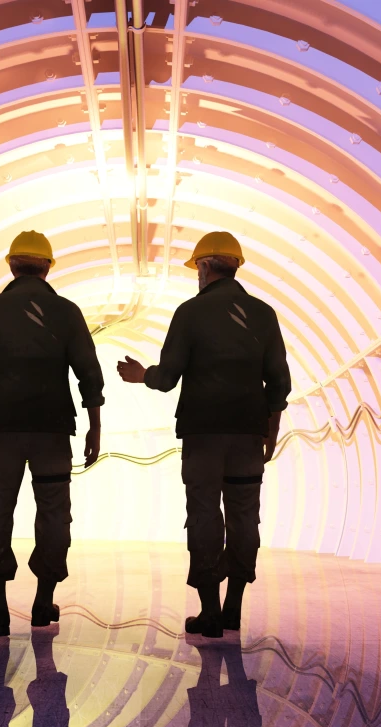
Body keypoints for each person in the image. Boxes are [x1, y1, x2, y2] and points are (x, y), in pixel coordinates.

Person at [117, 232, 291, 638]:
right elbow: (278, 383)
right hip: (248, 434)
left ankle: (209, 612)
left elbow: (169, 376)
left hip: (203, 435)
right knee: (245, 516)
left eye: (197, 267)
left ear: (206, 266)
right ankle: (234, 609)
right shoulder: (264, 314)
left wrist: (144, 376)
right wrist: (270, 430)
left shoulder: (191, 313)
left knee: (205, 516)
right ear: (235, 265)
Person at [0, 230, 104, 637]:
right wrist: (95, 425)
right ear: (48, 267)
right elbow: (88, 371)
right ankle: (42, 601)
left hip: (1, 431)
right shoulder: (67, 312)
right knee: (54, 513)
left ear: (11, 265)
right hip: (53, 432)